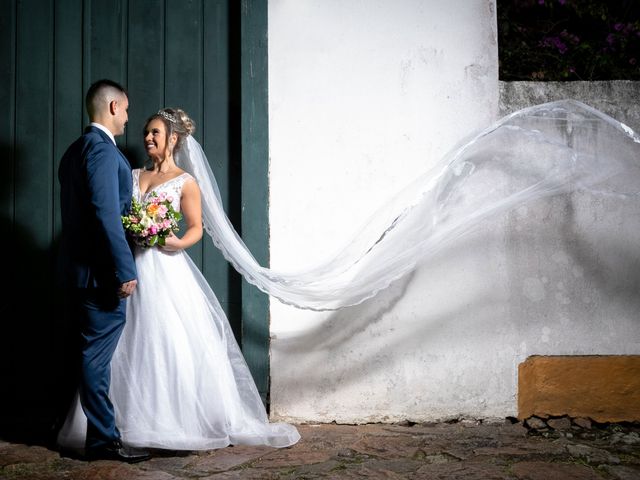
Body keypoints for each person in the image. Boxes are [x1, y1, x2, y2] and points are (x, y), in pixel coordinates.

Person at [57, 108, 301, 451]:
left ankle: (169, 421)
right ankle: (115, 423)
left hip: (165, 267)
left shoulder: (186, 182)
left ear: (173, 139)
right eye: (145, 132)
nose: (147, 138)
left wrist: (173, 242)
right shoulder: (131, 173)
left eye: (155, 132)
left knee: (164, 341)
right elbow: (113, 214)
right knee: (120, 343)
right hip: (127, 266)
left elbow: (196, 228)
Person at [57, 79, 151, 463]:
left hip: (79, 272)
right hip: (99, 274)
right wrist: (124, 269)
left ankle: (100, 437)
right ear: (113, 107)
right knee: (95, 356)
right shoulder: (99, 151)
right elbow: (104, 215)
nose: (128, 119)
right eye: (126, 110)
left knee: (90, 352)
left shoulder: (73, 151)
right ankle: (102, 442)